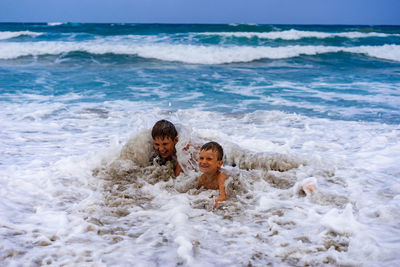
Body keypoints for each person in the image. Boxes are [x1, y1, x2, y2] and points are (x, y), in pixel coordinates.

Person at [196, 141, 227, 209]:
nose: (204, 162)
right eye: (201, 158)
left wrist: (213, 208)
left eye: (209, 159)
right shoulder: (202, 178)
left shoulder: (221, 177)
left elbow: (223, 197)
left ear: (219, 163)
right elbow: (195, 190)